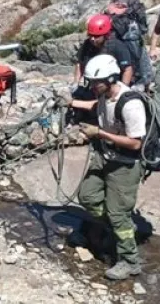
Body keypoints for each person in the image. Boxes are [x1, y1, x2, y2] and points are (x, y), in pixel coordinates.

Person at [58, 54, 147, 280]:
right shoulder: (105, 94)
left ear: (111, 79)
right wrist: (70, 102)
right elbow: (96, 105)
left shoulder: (131, 104)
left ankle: (130, 261)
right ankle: (117, 227)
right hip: (105, 157)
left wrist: (99, 133)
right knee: (87, 196)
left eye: (96, 83)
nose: (92, 87)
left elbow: (136, 143)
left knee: (118, 213)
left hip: (125, 164)